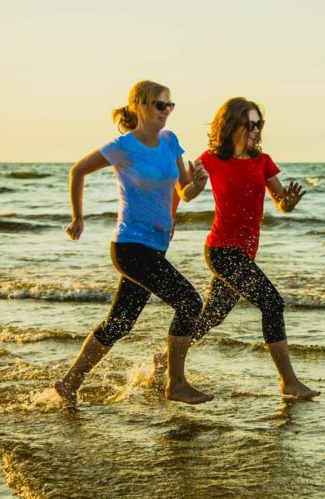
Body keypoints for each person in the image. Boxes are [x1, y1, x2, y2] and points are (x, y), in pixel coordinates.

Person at [53, 80, 212, 410]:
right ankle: (176, 383)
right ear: (139, 106)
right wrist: (78, 218)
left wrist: (198, 184)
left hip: (155, 247)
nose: (167, 112)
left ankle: (69, 383)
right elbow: (78, 170)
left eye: (170, 105)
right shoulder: (122, 146)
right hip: (129, 247)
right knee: (189, 302)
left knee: (119, 324)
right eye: (160, 105)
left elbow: (183, 192)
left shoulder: (170, 142)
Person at [189, 97, 320, 398]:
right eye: (251, 124)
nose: (257, 130)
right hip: (221, 250)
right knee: (272, 303)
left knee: (212, 316)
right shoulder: (210, 160)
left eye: (260, 124)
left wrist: (289, 202)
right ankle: (289, 381)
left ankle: (163, 361)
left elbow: (281, 203)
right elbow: (185, 191)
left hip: (245, 252)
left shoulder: (263, 162)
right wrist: (186, 188)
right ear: (232, 124)